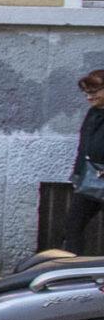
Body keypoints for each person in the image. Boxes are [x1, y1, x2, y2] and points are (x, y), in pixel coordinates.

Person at [73, 69, 104, 254]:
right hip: (89, 181)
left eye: (94, 92)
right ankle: (72, 273)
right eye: (86, 93)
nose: (89, 97)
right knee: (73, 226)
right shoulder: (92, 114)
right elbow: (83, 147)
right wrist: (77, 175)